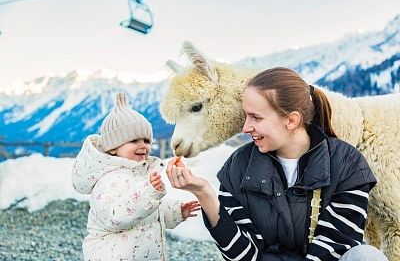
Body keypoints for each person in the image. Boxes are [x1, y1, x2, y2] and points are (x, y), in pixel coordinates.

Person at [166, 67, 388, 261]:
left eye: (256, 118)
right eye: (245, 116)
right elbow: (243, 255)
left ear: (291, 120)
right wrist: (204, 193)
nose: (245, 128)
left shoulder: (346, 164)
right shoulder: (238, 167)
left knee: (366, 256)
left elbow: (336, 245)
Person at [72, 92, 200, 261]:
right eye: (134, 141)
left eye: (146, 140)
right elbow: (117, 216)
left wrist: (176, 211)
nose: (143, 146)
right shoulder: (109, 180)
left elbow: (150, 212)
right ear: (112, 148)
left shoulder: (140, 175)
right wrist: (148, 192)